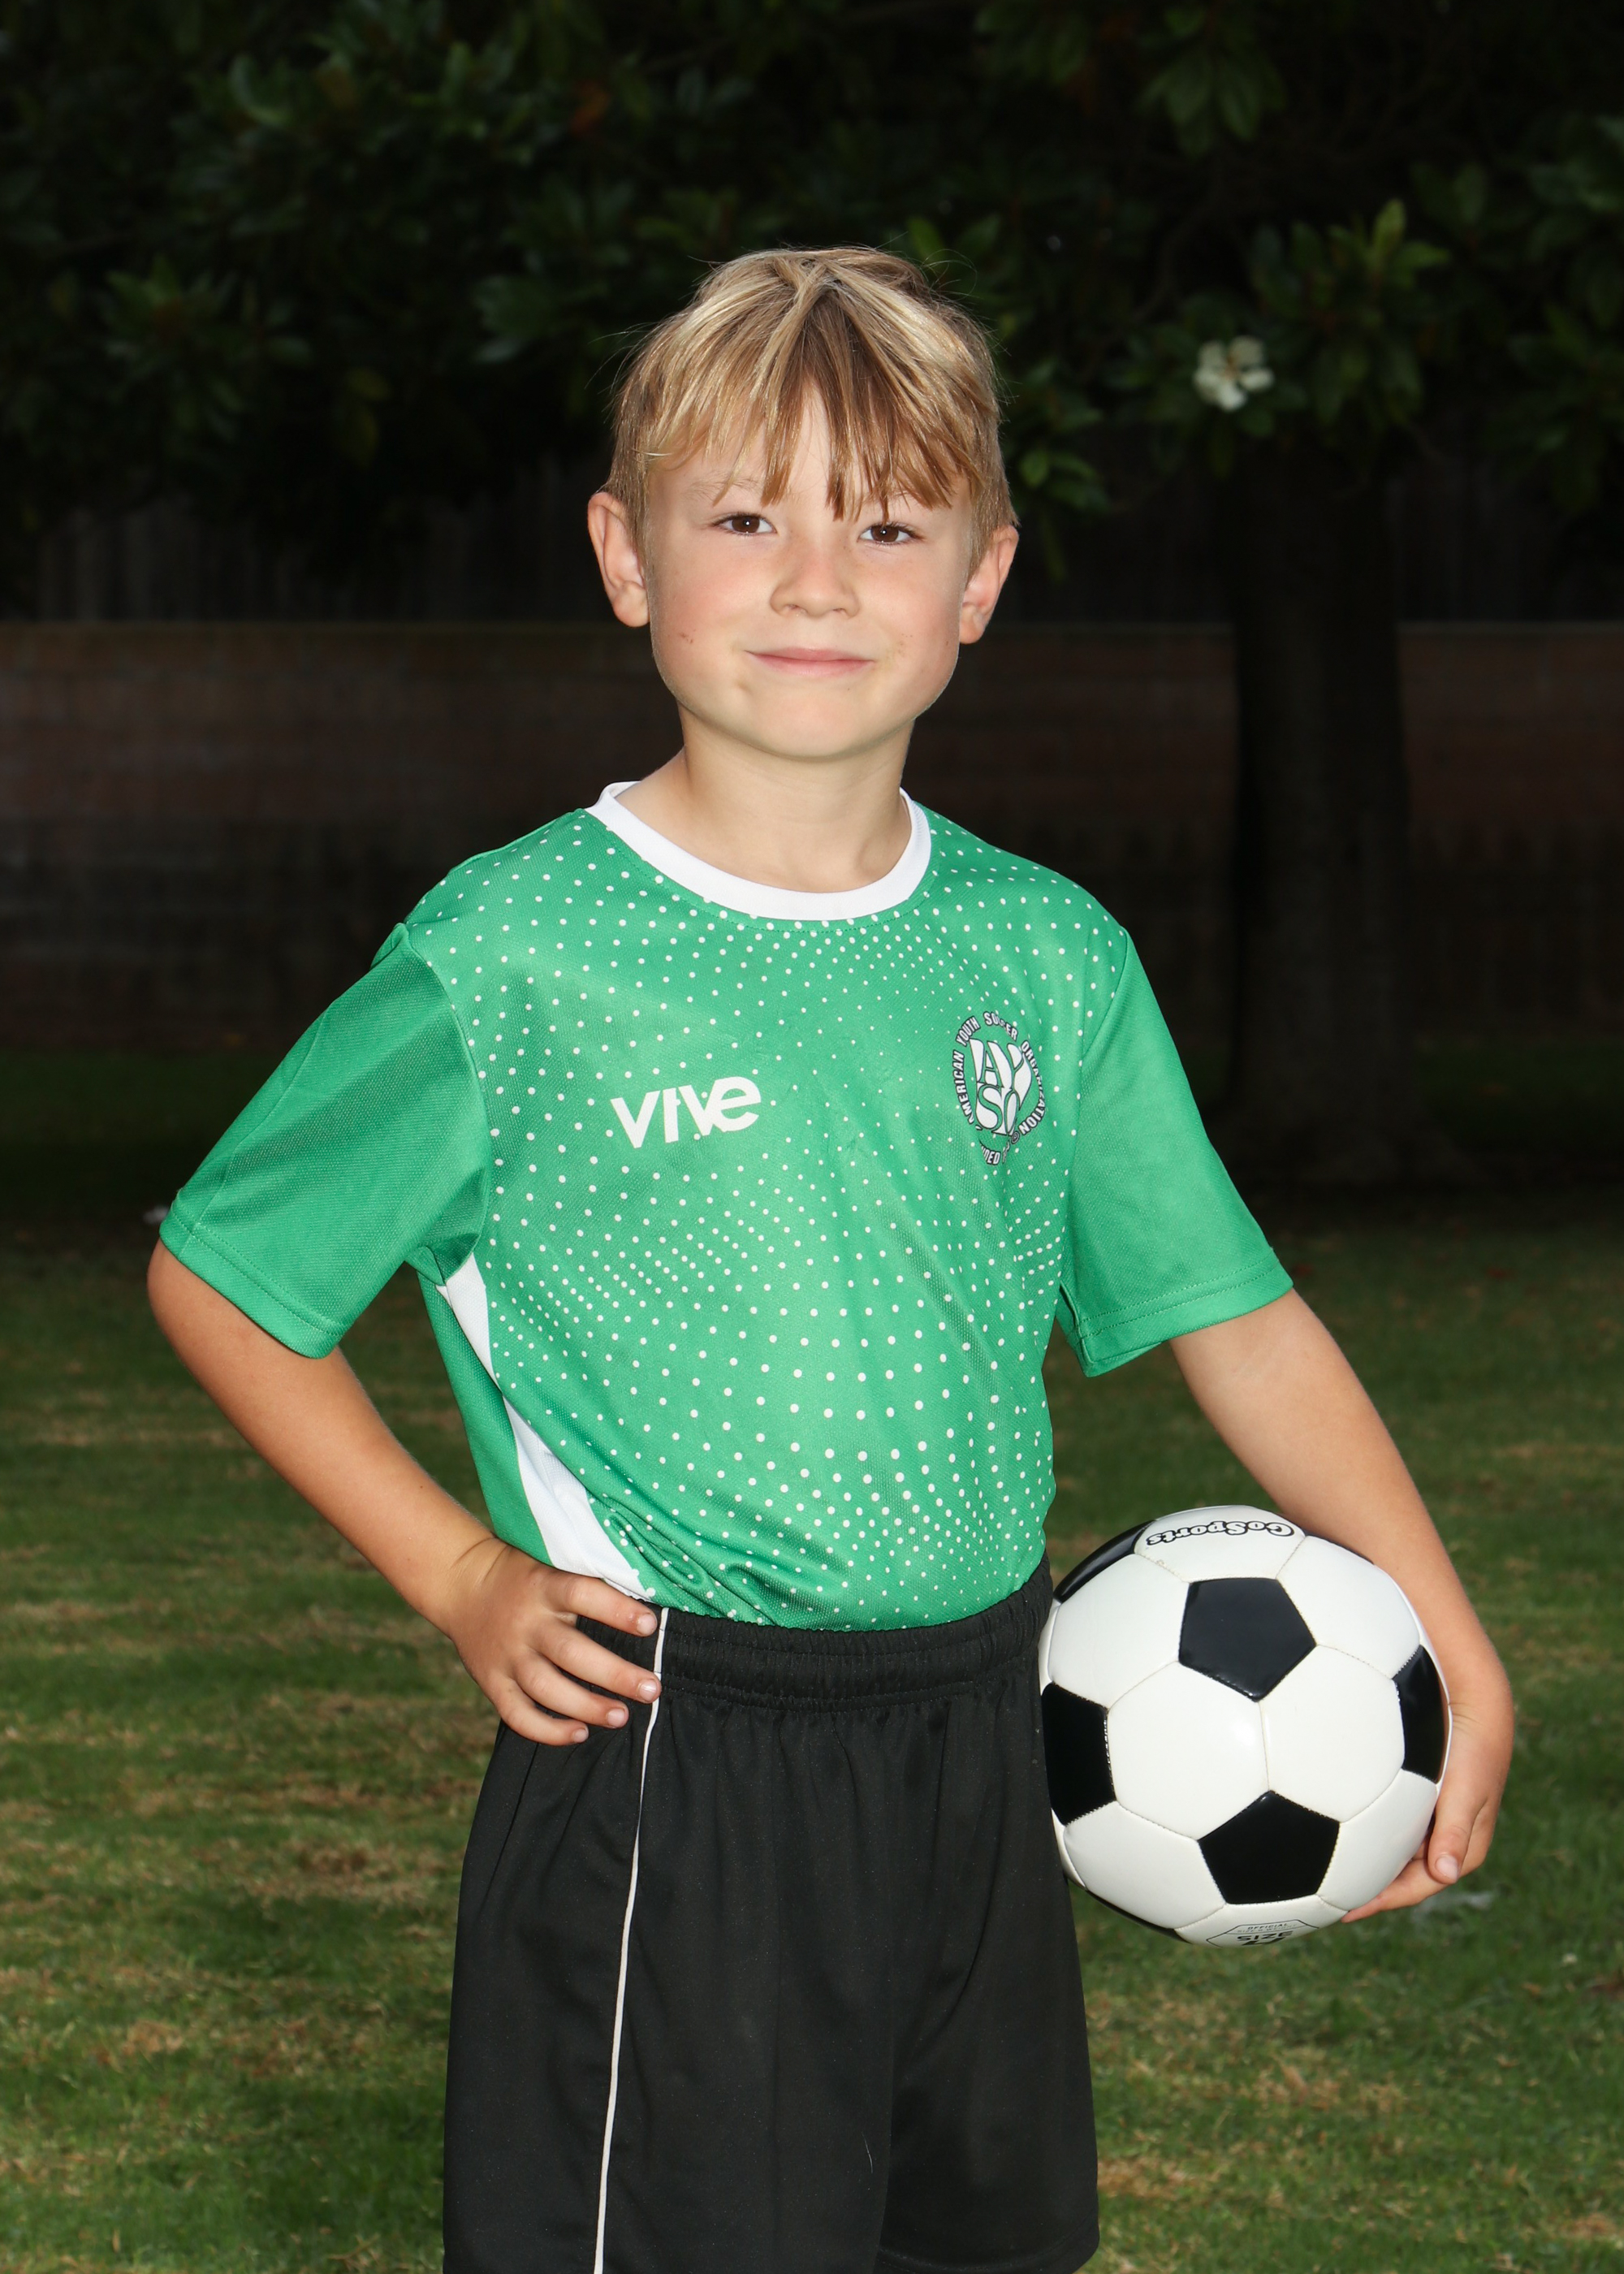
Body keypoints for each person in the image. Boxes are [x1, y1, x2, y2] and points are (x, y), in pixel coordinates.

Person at [149, 247, 1514, 2274]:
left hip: (987, 1728)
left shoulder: (1041, 950)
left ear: (981, 578)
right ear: (624, 557)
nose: (814, 580)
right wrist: (456, 1571)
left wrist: (1441, 1627)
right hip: (676, 1757)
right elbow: (226, 1276)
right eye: (742, 518)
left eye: (884, 526)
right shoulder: (518, 955)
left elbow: (1234, 1314)